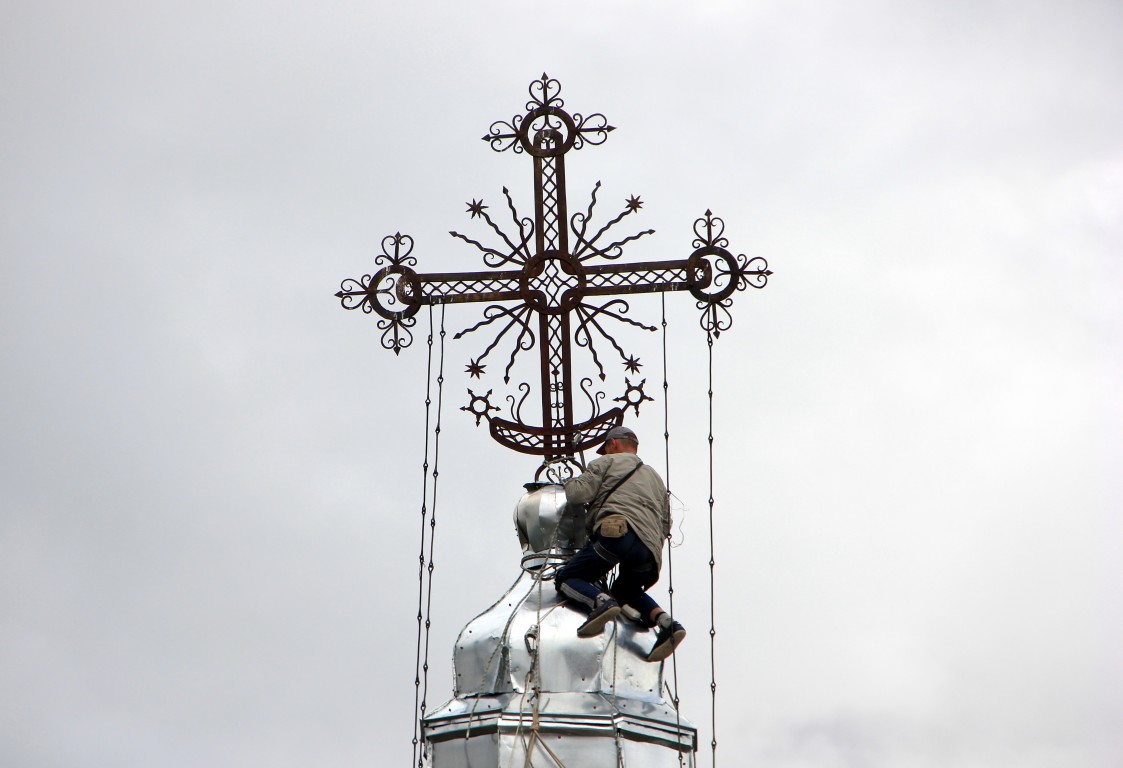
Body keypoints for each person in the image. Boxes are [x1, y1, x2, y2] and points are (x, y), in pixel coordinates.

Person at [555, 425, 686, 662]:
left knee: (567, 577)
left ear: (613, 444)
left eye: (605, 448)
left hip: (617, 535)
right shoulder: (655, 477)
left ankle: (601, 603)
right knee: (626, 592)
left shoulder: (605, 463)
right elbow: (666, 523)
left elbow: (577, 495)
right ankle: (667, 624)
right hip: (648, 550)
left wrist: (571, 480)